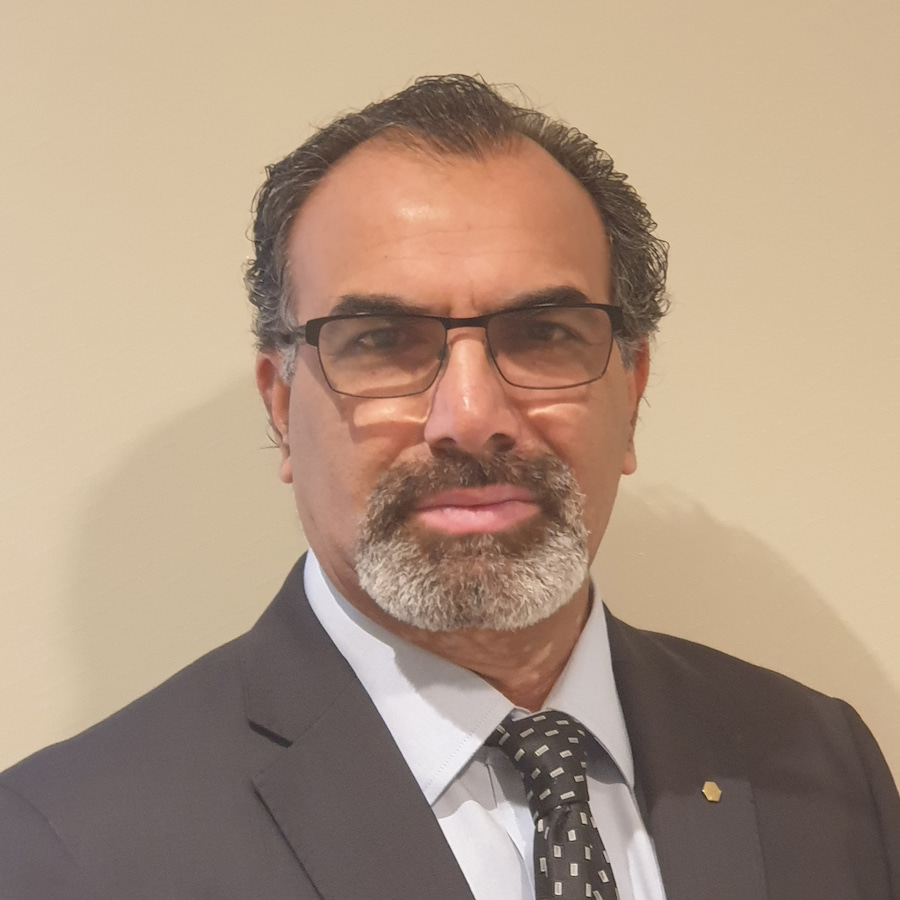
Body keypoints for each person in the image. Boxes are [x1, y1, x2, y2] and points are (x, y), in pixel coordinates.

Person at [1, 74, 897, 900]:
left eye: (543, 332)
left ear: (631, 391)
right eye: (383, 341)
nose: (471, 417)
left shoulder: (823, 763)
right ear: (280, 407)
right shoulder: (69, 846)